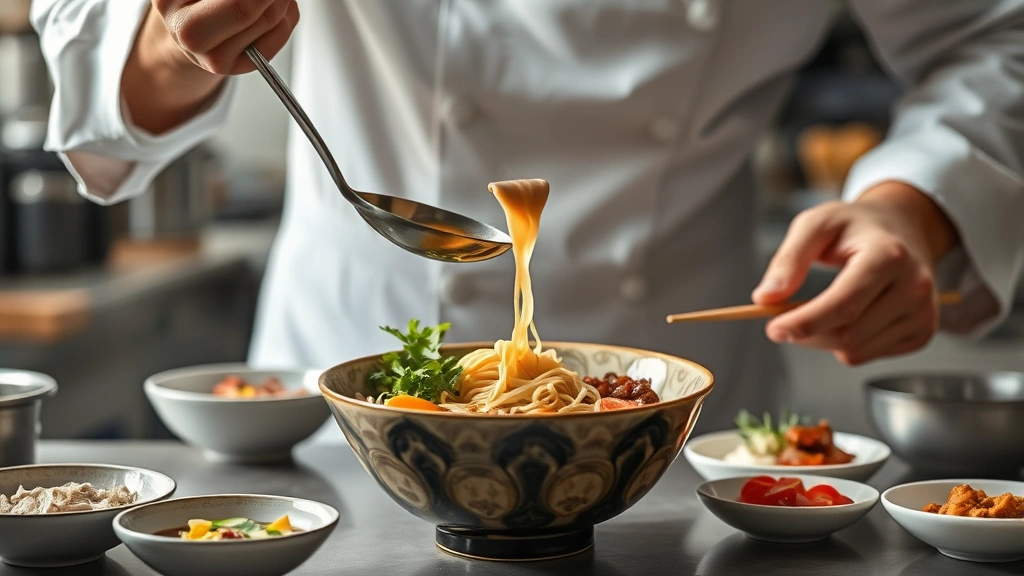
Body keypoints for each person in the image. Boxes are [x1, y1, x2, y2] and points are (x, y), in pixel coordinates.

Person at [30, 0, 1024, 433]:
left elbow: (993, 33)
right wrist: (167, 41)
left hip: (681, 424)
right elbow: (90, 29)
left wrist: (913, 204)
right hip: (352, 408)